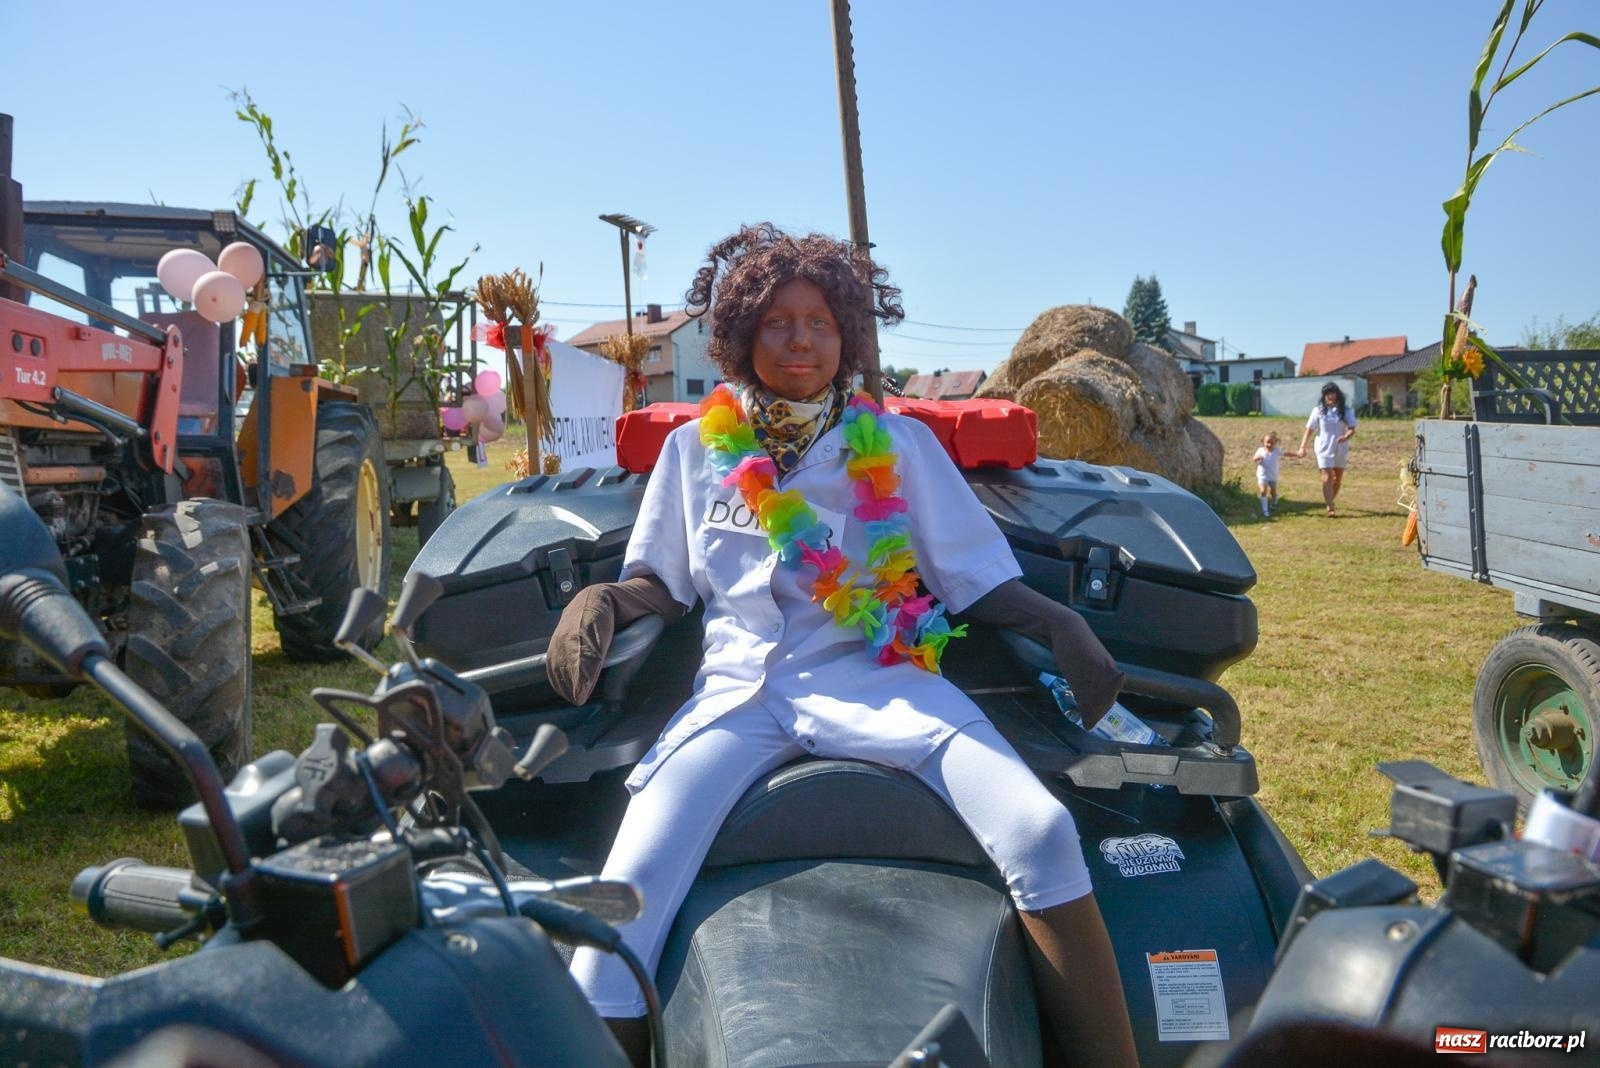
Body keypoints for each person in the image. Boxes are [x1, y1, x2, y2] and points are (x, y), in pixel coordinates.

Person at [547, 223, 1139, 1067]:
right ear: (743, 333)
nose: (801, 340)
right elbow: (666, 583)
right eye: (779, 321)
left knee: (1040, 828)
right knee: (625, 890)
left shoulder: (896, 446)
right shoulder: (693, 451)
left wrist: (1057, 621)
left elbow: (975, 575)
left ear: (849, 336)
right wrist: (603, 598)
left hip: (880, 680)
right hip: (739, 695)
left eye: (821, 322)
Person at [1295, 382, 1357, 516]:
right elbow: (1309, 430)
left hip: (1340, 447)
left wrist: (1346, 436)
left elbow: (1352, 428)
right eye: (1327, 393)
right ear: (1324, 396)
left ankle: (1329, 500)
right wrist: (1303, 447)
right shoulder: (1318, 410)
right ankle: (1330, 507)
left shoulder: (1345, 410)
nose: (1330, 396)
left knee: (1337, 478)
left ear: (1337, 394)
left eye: (1332, 393)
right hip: (1323, 446)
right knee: (1327, 476)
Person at [1252, 432, 1283, 518]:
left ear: (1275, 443)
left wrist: (1297, 454)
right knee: (1263, 491)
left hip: (1273, 476)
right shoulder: (1260, 450)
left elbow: (1286, 454)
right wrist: (1257, 458)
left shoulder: (1277, 450)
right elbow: (1254, 459)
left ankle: (1274, 502)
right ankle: (1265, 511)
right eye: (1267, 442)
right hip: (1262, 476)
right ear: (1263, 442)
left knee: (1273, 491)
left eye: (1271, 443)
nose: (1269, 444)